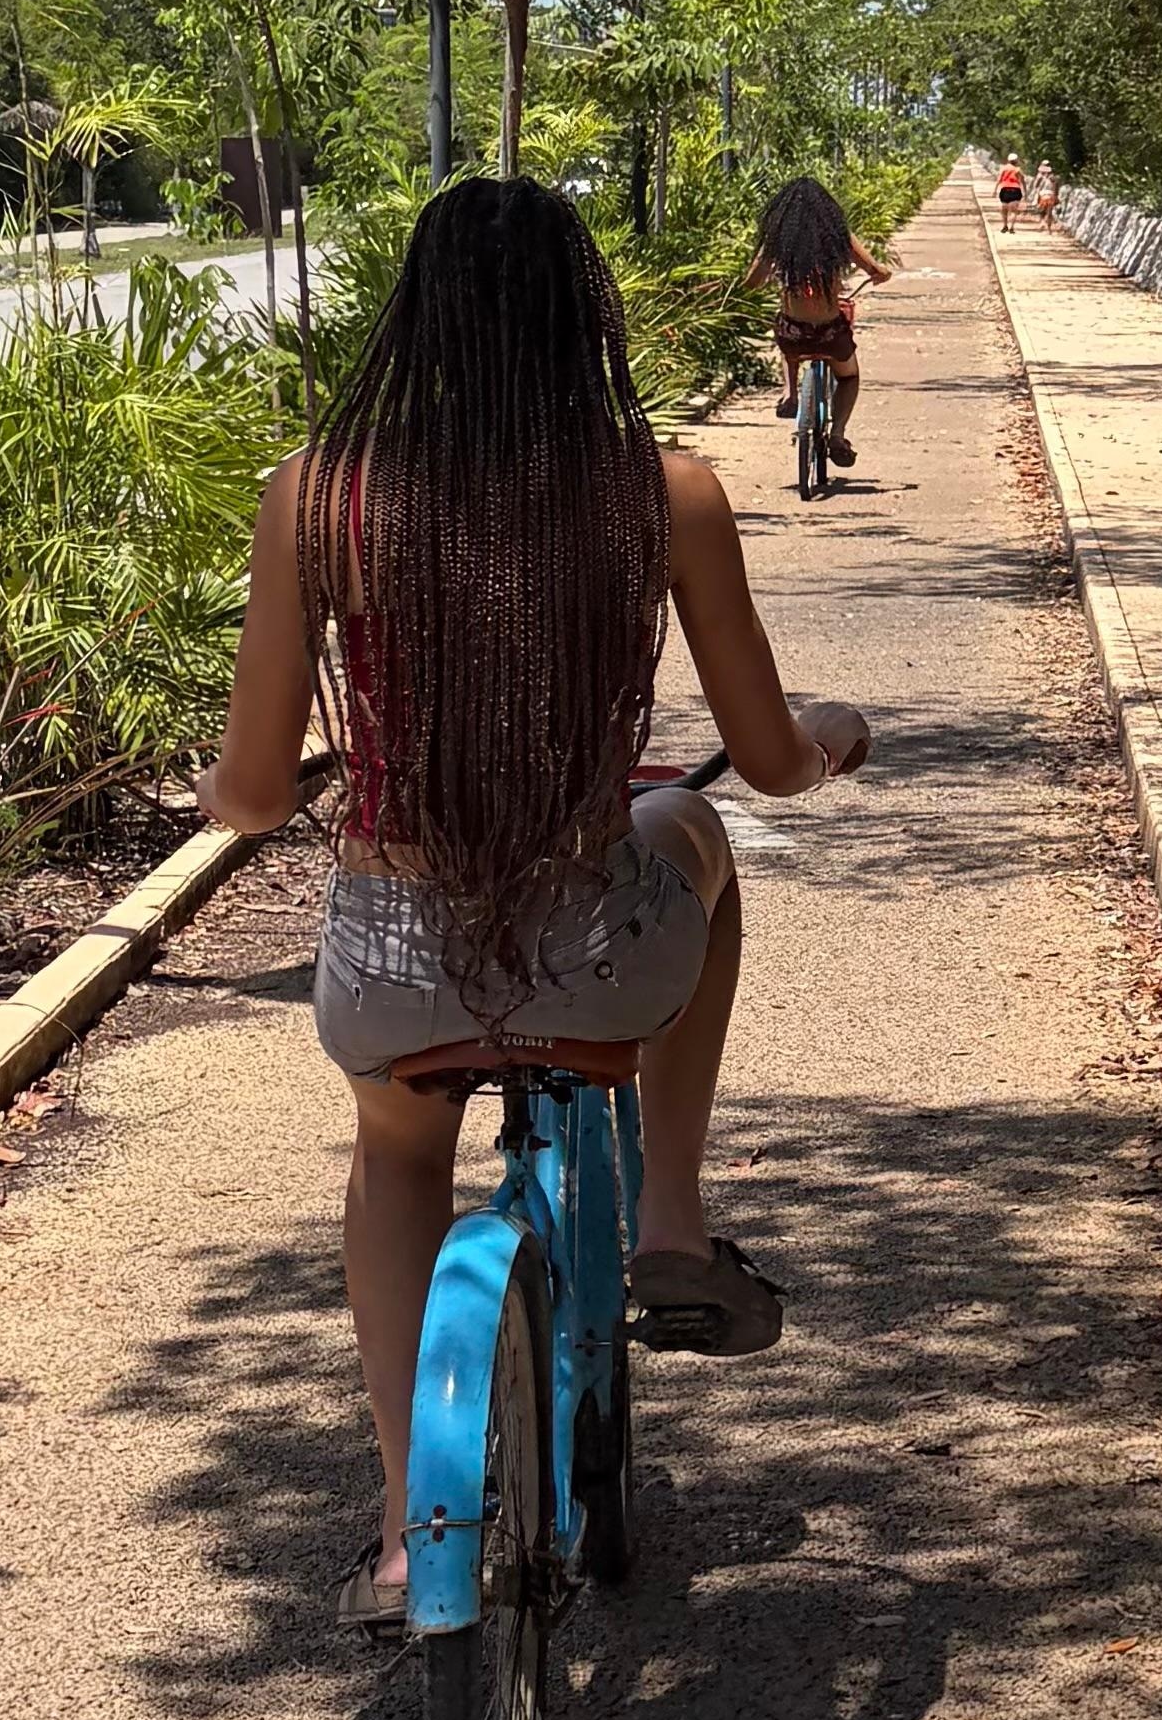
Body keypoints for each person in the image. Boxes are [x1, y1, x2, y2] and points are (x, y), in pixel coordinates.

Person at [196, 178, 868, 1627]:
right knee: (692, 826)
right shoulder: (659, 488)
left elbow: (253, 796)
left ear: (415, 321)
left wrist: (219, 792)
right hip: (597, 953)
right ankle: (673, 1225)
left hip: (390, 962)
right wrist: (824, 743)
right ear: (584, 318)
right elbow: (763, 760)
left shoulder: (317, 497)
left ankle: (399, 1522)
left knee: (396, 1160)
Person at [746, 174, 893, 472]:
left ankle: (790, 393)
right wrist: (881, 273)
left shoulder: (777, 240)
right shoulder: (837, 235)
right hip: (829, 334)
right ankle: (837, 434)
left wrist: (772, 273)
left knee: (786, 337)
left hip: (794, 333)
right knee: (849, 376)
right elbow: (874, 268)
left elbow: (752, 282)